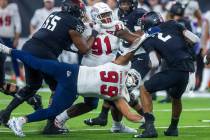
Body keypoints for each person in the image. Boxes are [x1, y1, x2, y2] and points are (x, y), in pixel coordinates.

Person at [0, 32, 146, 137]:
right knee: (52, 110)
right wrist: (148, 119)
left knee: (36, 62)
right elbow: (131, 116)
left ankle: (5, 49)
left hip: (70, 72)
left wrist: (146, 36)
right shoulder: (118, 95)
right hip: (73, 87)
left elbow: (133, 48)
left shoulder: (120, 67)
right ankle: (19, 121)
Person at [0, 0, 98, 135]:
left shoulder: (56, 14)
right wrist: (94, 34)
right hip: (43, 53)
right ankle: (51, 125)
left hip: (30, 46)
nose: (82, 14)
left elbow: (57, 36)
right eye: (80, 10)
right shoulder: (73, 22)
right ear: (74, 9)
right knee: (60, 88)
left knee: (32, 86)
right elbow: (84, 49)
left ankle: (6, 113)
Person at [83, 0, 150, 131]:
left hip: (140, 54)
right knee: (120, 88)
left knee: (122, 86)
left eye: (127, 3)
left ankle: (104, 116)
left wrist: (121, 32)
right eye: (122, 3)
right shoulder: (118, 14)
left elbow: (140, 37)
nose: (124, 6)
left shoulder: (139, 13)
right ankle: (146, 119)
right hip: (126, 53)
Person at [133, 11, 199, 138]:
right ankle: (173, 128)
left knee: (144, 89)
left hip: (174, 69)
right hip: (188, 68)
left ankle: (150, 128)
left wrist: (145, 64)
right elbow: (194, 39)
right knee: (176, 97)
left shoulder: (148, 37)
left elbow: (155, 63)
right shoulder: (172, 24)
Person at [0, 0, 24, 86]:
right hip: (0, 38)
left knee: (14, 56)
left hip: (9, 38)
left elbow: (18, 24)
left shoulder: (13, 7)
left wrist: (16, 38)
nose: (3, 2)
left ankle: (18, 77)